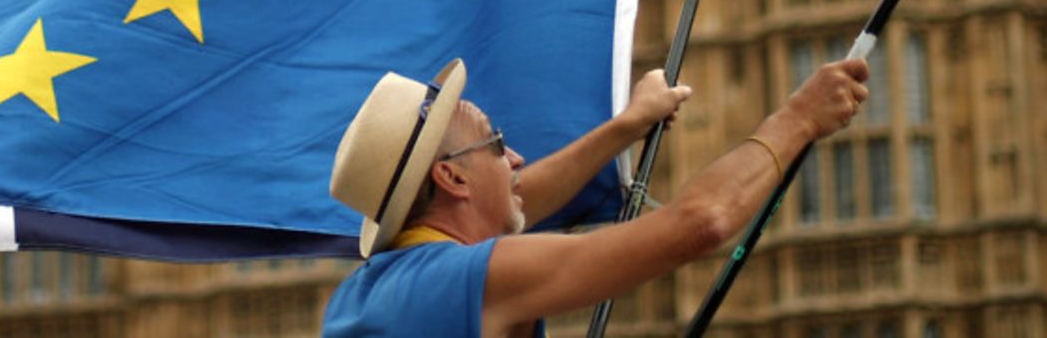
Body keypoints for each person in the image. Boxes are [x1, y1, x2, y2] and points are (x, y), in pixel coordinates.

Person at [324, 56, 870, 336]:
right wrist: (798, 120)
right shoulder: (472, 281)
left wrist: (627, 126)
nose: (516, 160)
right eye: (497, 143)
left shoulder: (367, 295)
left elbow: (515, 201)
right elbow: (701, 222)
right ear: (453, 179)